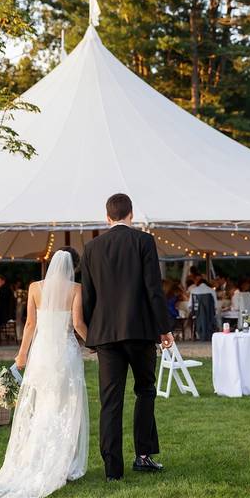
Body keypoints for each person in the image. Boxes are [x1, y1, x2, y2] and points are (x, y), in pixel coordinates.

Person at [0, 247, 88, 498]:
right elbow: (78, 325)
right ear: (74, 267)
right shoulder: (76, 289)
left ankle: (35, 457)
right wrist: (96, 343)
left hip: (42, 353)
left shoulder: (35, 287)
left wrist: (21, 356)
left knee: (42, 405)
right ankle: (63, 462)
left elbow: (31, 324)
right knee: (66, 406)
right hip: (66, 353)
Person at [81, 193, 173, 481]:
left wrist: (89, 335)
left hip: (105, 334)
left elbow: (88, 296)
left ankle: (112, 470)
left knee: (110, 401)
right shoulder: (143, 241)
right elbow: (153, 289)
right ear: (131, 215)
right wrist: (164, 328)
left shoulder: (91, 247)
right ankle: (143, 456)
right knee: (145, 390)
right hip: (140, 331)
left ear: (107, 216)